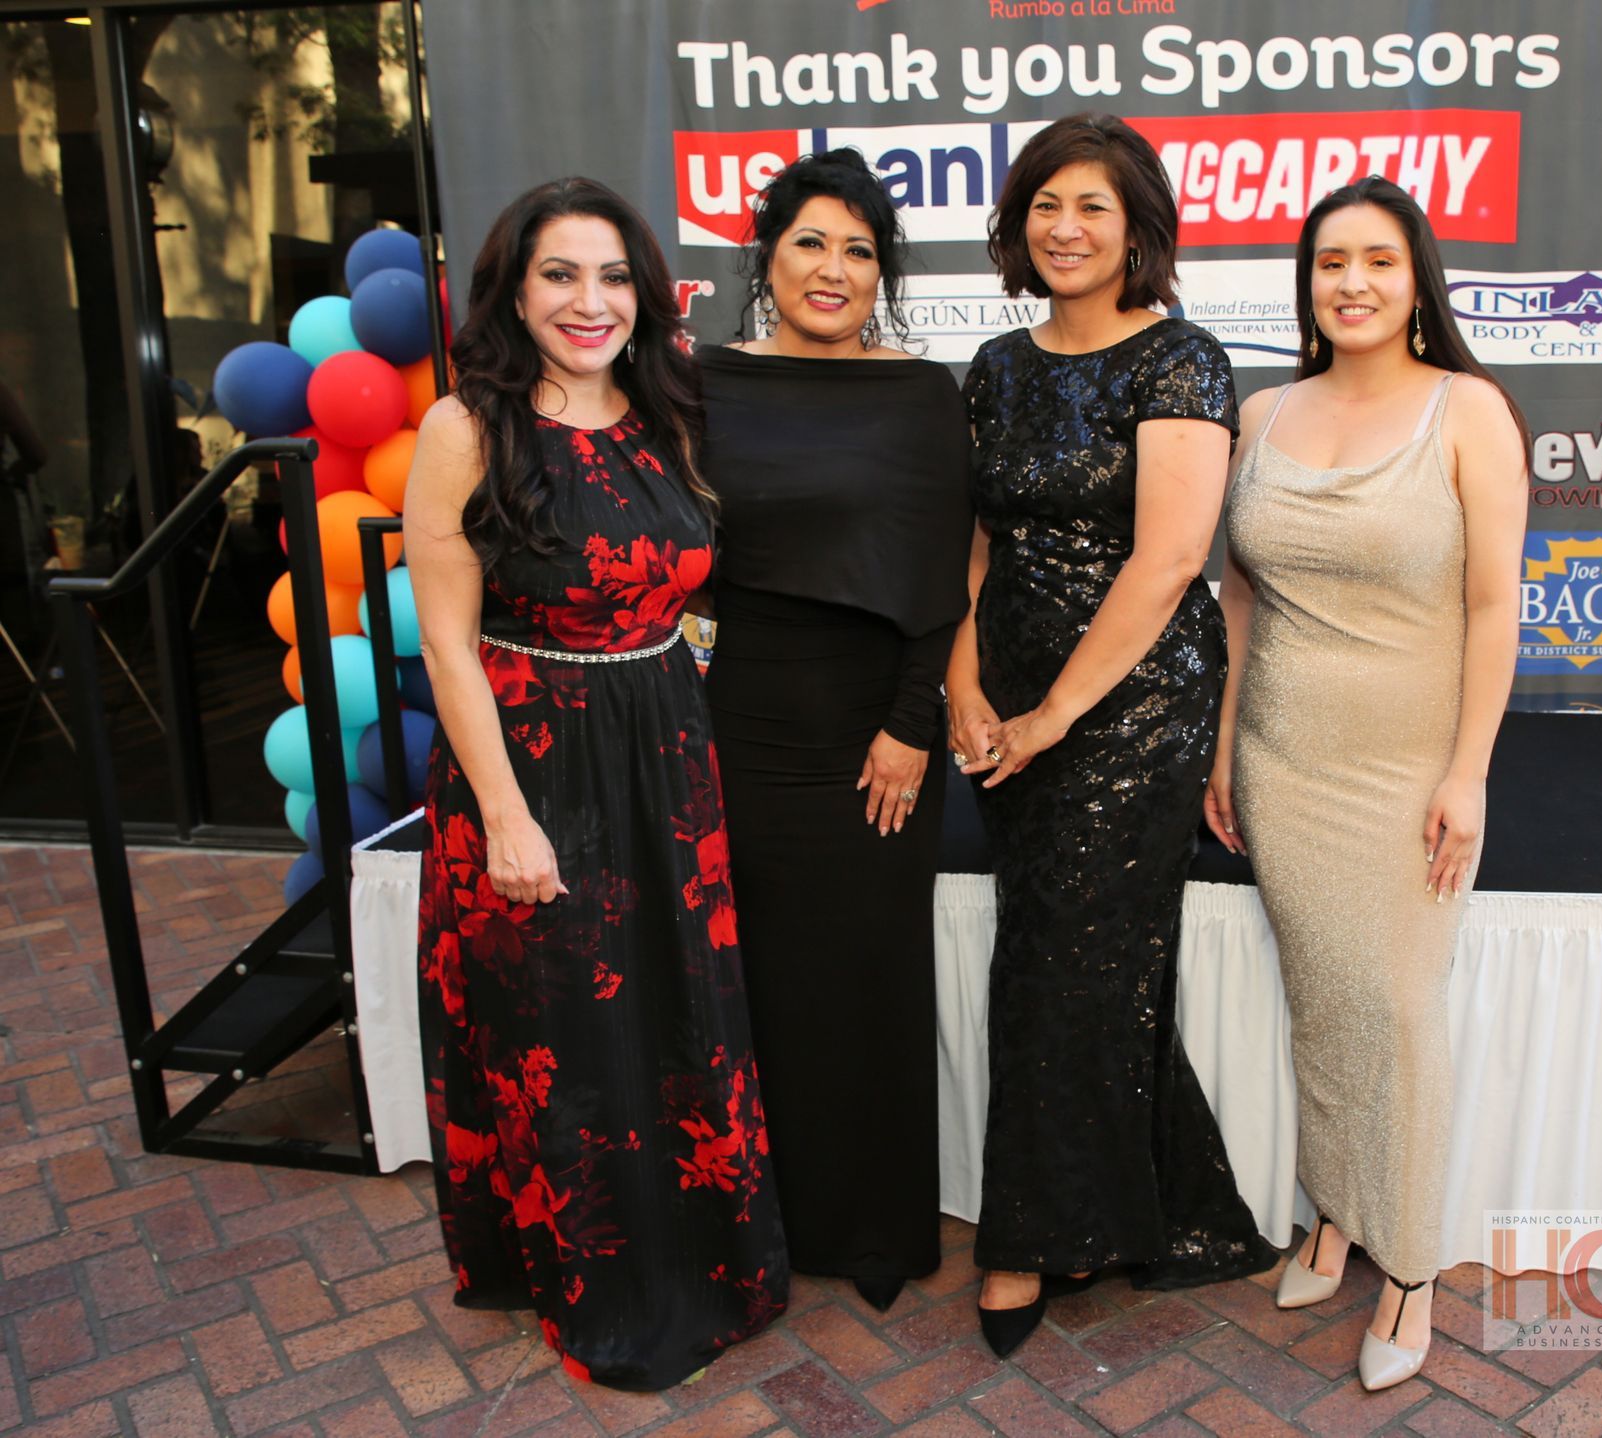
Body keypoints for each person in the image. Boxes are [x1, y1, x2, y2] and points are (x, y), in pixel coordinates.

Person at [408, 177, 787, 1391]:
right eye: (561, 275)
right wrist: (508, 816)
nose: (591, 300)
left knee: (678, 1011)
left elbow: (688, 584)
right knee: (565, 1032)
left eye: (614, 275)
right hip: (531, 764)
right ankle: (603, 1284)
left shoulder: (666, 408)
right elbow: (448, 643)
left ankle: (711, 1259)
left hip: (662, 751)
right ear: (513, 290)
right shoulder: (466, 427)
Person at [948, 113, 1281, 1357]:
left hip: (1132, 710)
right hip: (1012, 700)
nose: (1066, 228)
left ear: (1138, 223)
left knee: (1059, 963)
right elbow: (975, 545)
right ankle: (1121, 1207)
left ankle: (1030, 1236)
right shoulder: (992, 363)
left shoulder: (1180, 359)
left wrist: (1051, 717)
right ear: (1017, 225)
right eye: (1045, 205)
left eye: (1092, 206)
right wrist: (965, 687)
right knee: (1084, 961)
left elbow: (1170, 559)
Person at [1207, 175, 1528, 1392]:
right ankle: (1334, 1214)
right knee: (1323, 998)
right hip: (1283, 754)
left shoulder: (1470, 411)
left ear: (1416, 281)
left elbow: (1496, 604)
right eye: (1331, 261)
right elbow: (1239, 594)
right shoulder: (1264, 411)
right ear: (1308, 281)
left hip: (1408, 769)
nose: (1352, 283)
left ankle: (1407, 1263)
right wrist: (1225, 741)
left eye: (1379, 262)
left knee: (1393, 1007)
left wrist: (1469, 772)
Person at [697, 150, 972, 1311]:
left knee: (871, 979)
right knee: (763, 982)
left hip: (877, 733)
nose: (833, 267)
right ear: (767, 254)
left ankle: (876, 1229)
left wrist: (914, 724)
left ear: (884, 275)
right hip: (740, 722)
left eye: (859, 249)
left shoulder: (919, 394)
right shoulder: (699, 384)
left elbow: (942, 570)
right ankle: (770, 1215)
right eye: (811, 240)